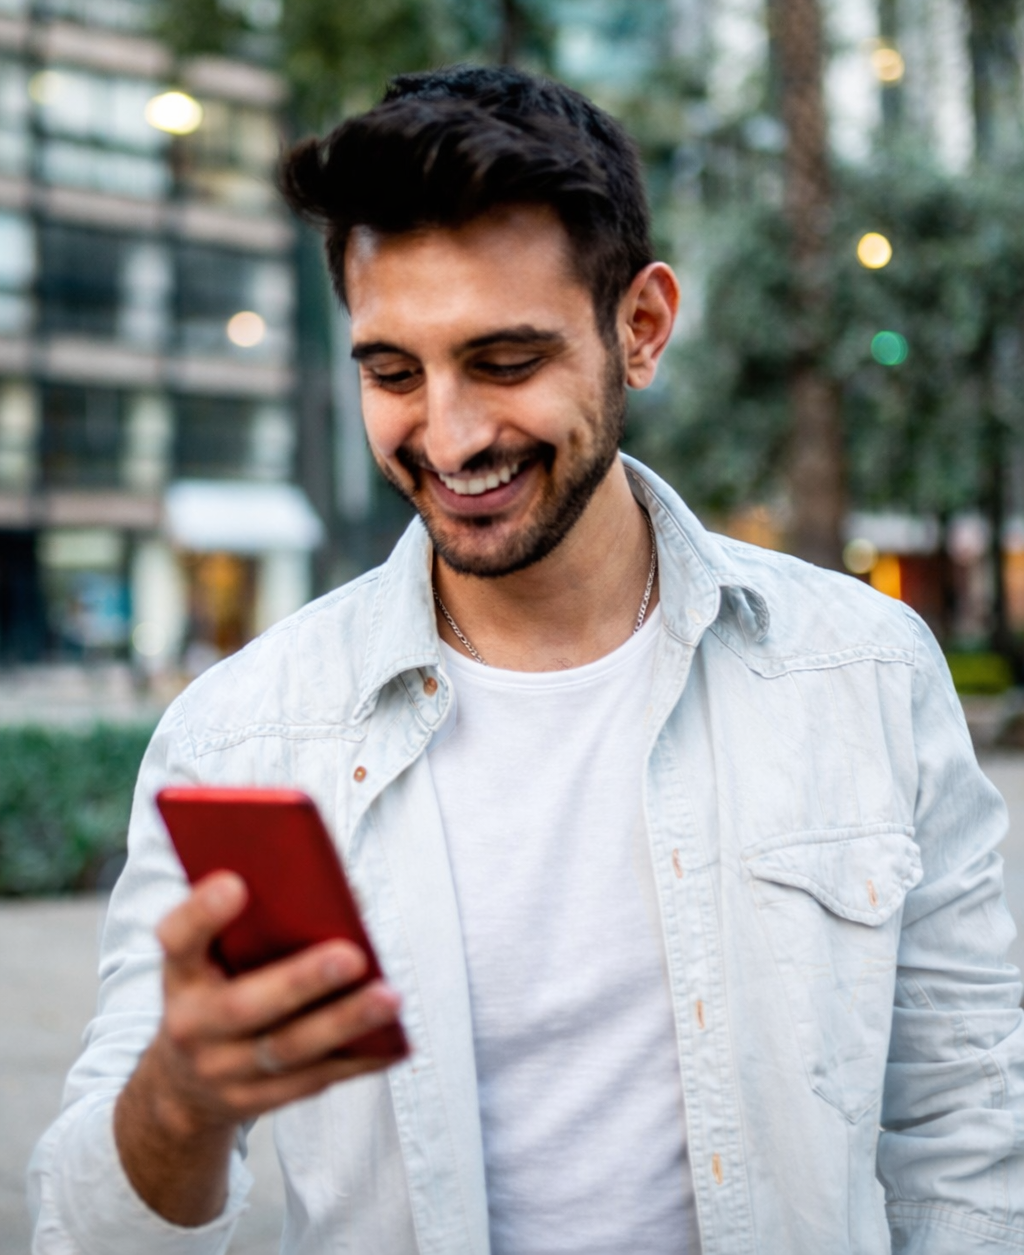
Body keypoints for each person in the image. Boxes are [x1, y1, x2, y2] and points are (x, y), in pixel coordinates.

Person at [30, 65, 1024, 1255]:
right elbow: (87, 1236)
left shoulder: (862, 671)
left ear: (640, 328)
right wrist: (182, 1098)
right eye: (392, 372)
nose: (447, 437)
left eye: (504, 362)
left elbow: (965, 1123)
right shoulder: (243, 734)